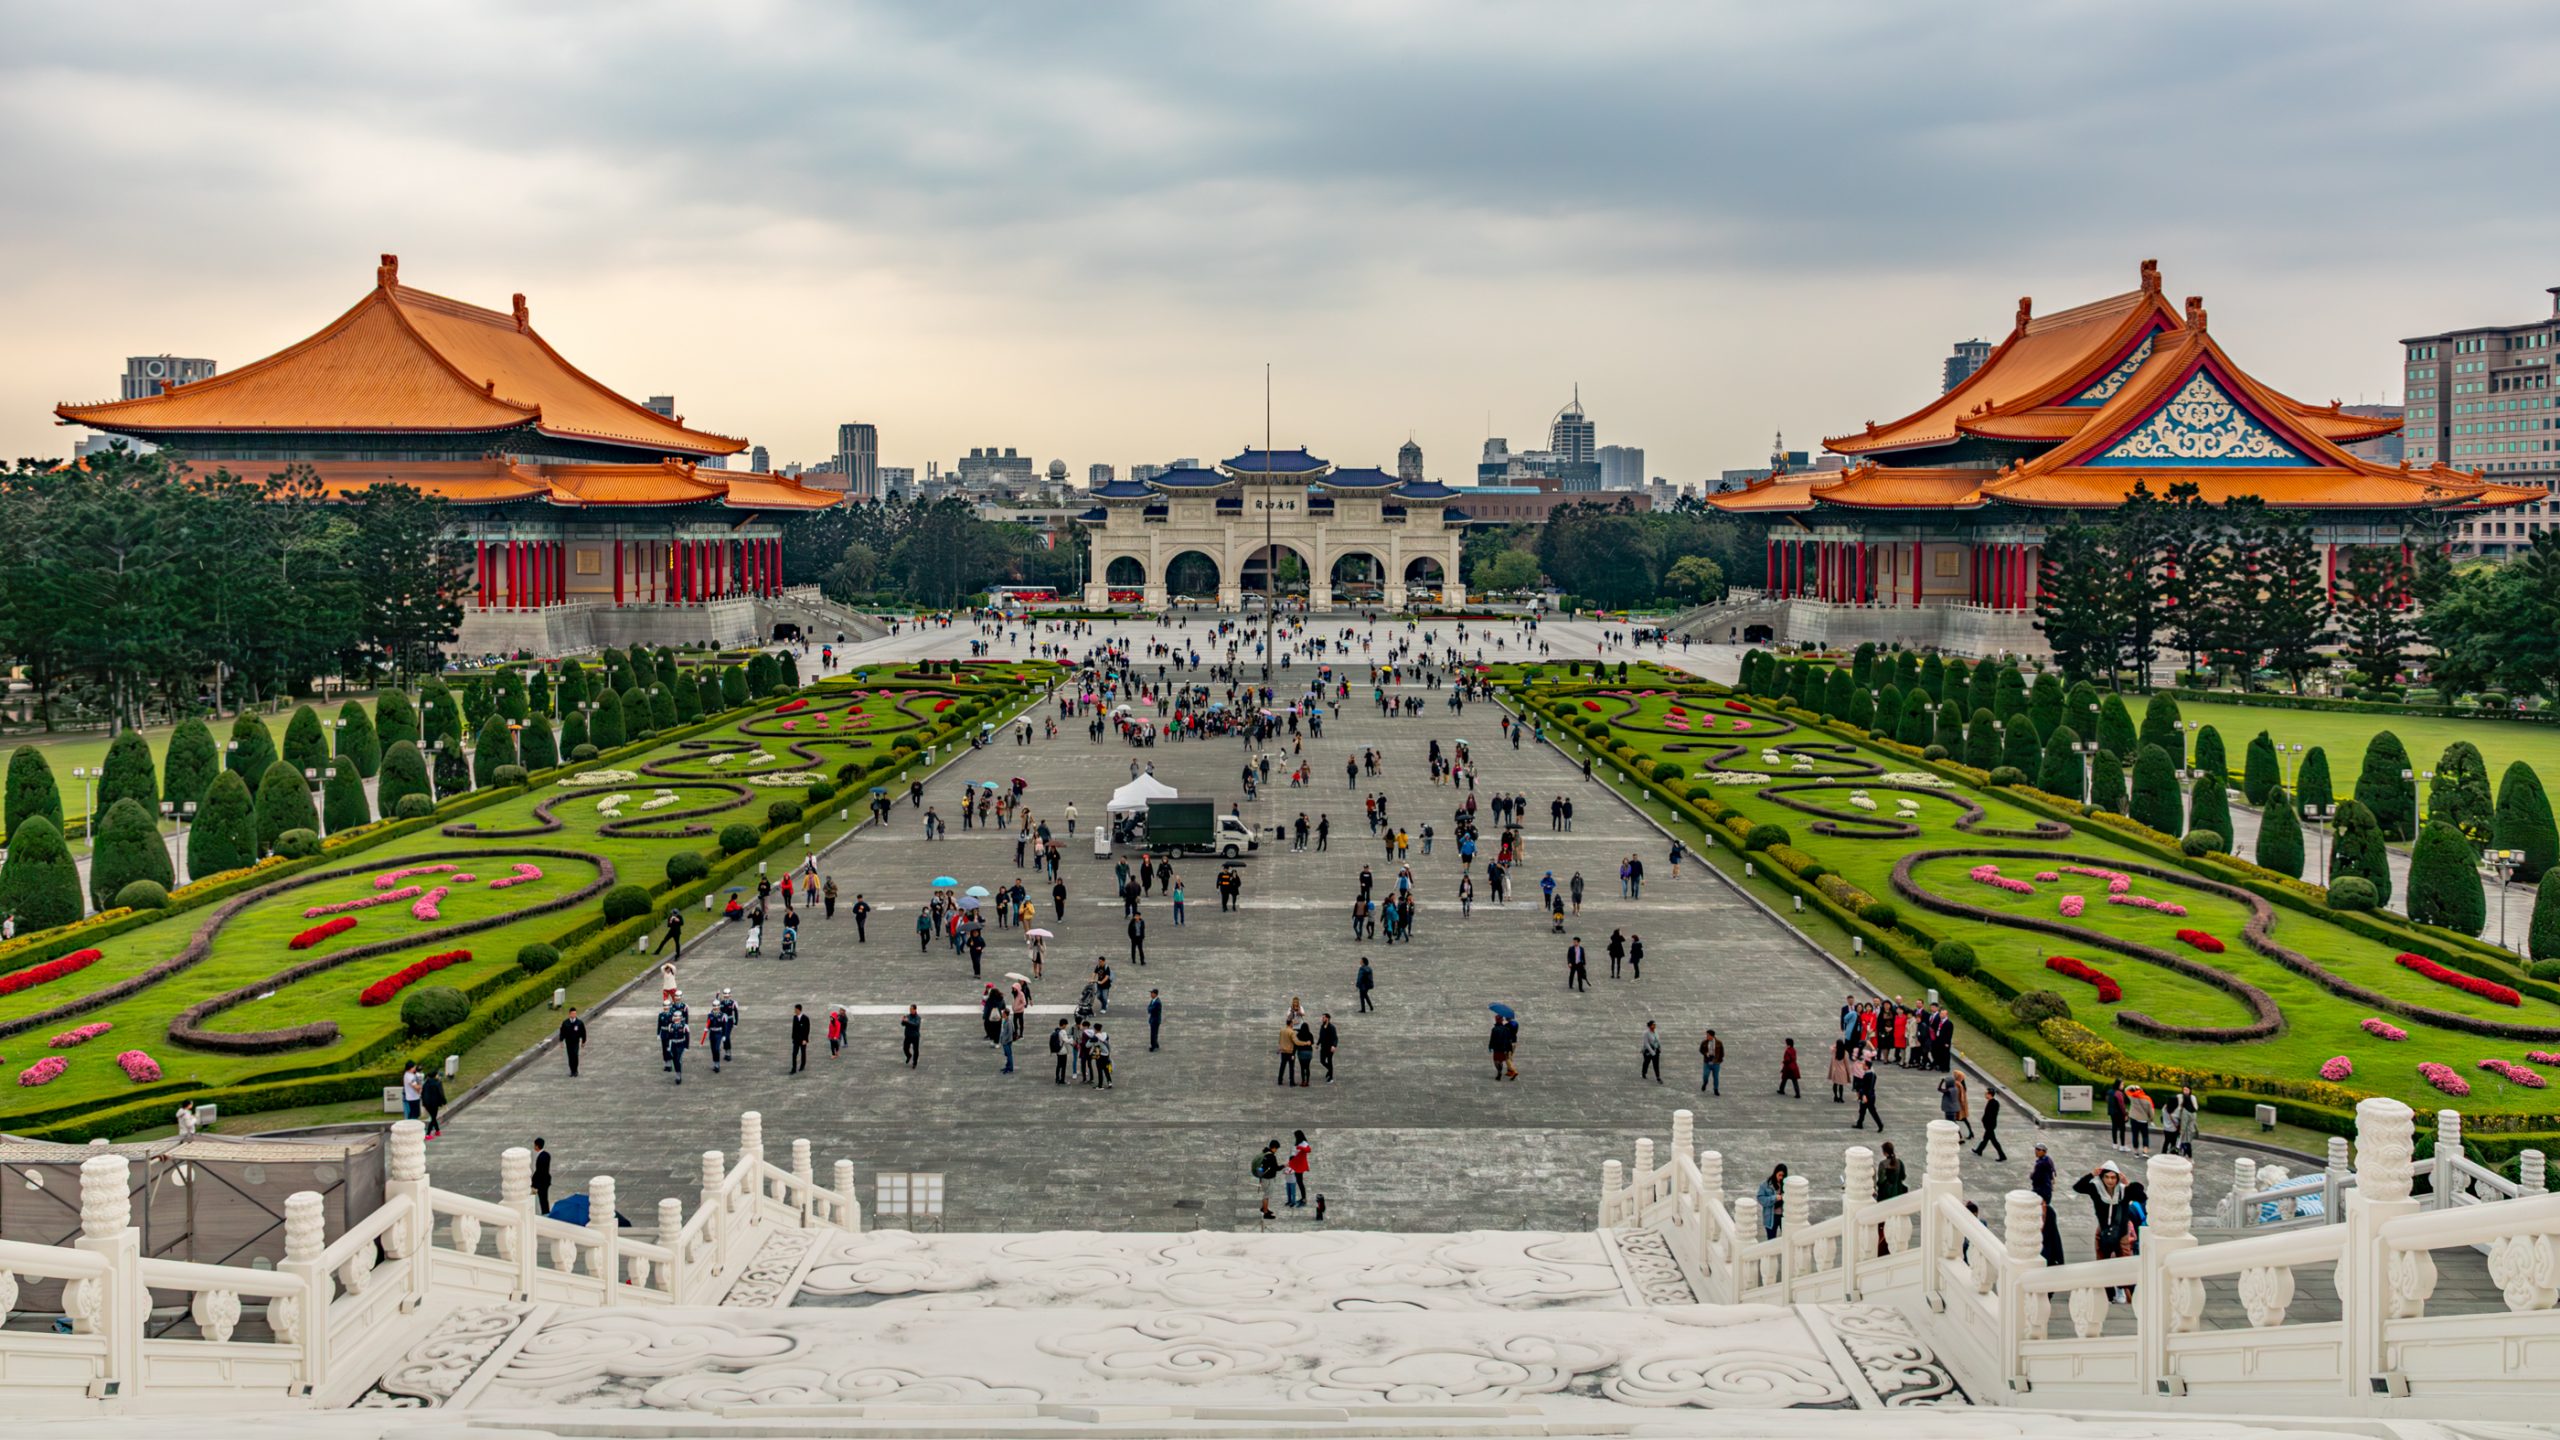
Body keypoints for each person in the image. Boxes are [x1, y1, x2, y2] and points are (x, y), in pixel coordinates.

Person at [2073, 1162, 2149, 1302]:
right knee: (2103, 1263)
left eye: (2113, 1177)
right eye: (2106, 1177)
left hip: (2122, 1233)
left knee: (2124, 1264)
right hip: (2103, 1232)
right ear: (2102, 1177)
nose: (2110, 1181)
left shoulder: (2124, 1191)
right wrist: (2091, 1174)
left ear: (2117, 1178)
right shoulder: (2096, 1189)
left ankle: (2123, 1290)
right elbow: (2077, 1187)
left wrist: (2128, 1183)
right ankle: (2109, 1295)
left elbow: (2142, 1197)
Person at [1872, 1140, 1908, 1254]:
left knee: (1883, 1222)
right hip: (1897, 1194)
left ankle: (1883, 1244)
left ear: (1884, 1152)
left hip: (1885, 1196)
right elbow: (1903, 1176)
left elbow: (1881, 1181)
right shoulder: (1900, 1162)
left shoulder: (1883, 1164)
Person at [1755, 1164, 1787, 1239]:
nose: (1781, 1178)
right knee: (1771, 1240)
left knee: (1787, 1238)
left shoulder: (1786, 1184)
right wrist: (1774, 1198)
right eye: (1779, 1175)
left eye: (1783, 1176)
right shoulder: (1765, 1185)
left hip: (1785, 1216)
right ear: (1775, 1172)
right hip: (1771, 1216)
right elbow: (1761, 1199)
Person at [1975, 1088, 2007, 1160]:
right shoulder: (1991, 1102)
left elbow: (1990, 1115)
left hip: (1990, 1125)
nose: (1985, 1095)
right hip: (1989, 1124)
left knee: (1994, 1141)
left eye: (1986, 1093)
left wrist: (1985, 1121)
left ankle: (2002, 1155)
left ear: (1989, 1094)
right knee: (1985, 1139)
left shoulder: (1994, 1103)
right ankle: (1979, 1150)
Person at [1253, 1140, 1282, 1220]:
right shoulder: (1271, 1156)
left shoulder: (1264, 1153)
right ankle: (1265, 1213)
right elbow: (1276, 1168)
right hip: (1268, 1179)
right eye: (1276, 1148)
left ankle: (1264, 1208)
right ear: (1274, 1148)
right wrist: (1284, 1166)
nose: (1276, 1150)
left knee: (1267, 1194)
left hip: (1263, 1178)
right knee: (1266, 1195)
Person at [1852, 1061, 1883, 1131]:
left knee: (1872, 1111)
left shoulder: (1867, 1075)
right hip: (1871, 1095)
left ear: (1867, 1066)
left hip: (1867, 1096)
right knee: (1862, 1110)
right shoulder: (1873, 1074)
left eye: (1863, 1065)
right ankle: (1859, 1123)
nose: (1862, 1066)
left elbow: (1865, 1087)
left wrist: (1863, 1095)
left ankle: (1880, 1124)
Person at [558, 1006, 588, 1076]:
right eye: (572, 1013)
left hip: (576, 1042)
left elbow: (583, 1032)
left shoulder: (579, 1023)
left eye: (575, 1013)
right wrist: (561, 1041)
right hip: (568, 1042)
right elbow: (562, 1032)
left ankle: (575, 1070)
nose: (574, 1015)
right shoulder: (565, 1023)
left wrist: (583, 1041)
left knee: (575, 1055)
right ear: (569, 1014)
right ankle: (572, 1070)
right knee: (570, 1056)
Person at [1287, 1130, 1313, 1208]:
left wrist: (1300, 1147)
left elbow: (1309, 1150)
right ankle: (1303, 1198)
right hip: (1296, 1164)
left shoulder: (1304, 1143)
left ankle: (1304, 1199)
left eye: (1296, 1136)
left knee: (1300, 1182)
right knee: (1299, 1182)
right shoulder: (1298, 1143)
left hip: (1300, 1165)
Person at [420, 1068, 447, 1139]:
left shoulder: (426, 1083)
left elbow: (422, 1094)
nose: (438, 1075)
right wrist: (444, 1102)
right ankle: (428, 1134)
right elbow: (441, 1094)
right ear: (435, 1076)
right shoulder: (438, 1082)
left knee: (433, 1117)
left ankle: (437, 1131)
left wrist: (423, 1103)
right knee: (433, 1118)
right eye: (437, 1074)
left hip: (427, 1103)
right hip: (434, 1103)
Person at [531, 1137, 553, 1216]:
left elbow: (539, 1171)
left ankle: (545, 1213)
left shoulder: (540, 1157)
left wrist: (534, 1183)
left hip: (541, 1182)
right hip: (546, 1180)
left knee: (542, 1199)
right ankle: (546, 1212)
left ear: (537, 1146)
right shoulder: (547, 1155)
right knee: (544, 1199)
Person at [1698, 1028, 1724, 1094]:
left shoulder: (1719, 1043)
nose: (1707, 1036)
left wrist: (1719, 1060)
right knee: (1705, 1075)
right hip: (1707, 1061)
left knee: (1716, 1077)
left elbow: (1722, 1052)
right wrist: (1706, 1053)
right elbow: (1701, 1050)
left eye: (1708, 1035)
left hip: (1716, 1062)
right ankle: (1705, 1083)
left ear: (1712, 1036)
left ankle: (1716, 1089)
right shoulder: (1704, 1042)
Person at [1276, 1019, 1300, 1086]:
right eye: (1292, 1023)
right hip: (1290, 1052)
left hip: (1283, 1051)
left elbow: (1280, 1041)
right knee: (1291, 1067)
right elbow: (1295, 1042)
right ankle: (1291, 1082)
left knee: (1282, 1066)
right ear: (1291, 1024)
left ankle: (1279, 1080)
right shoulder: (1292, 1032)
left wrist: (1279, 1049)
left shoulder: (1282, 1030)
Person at [1317, 1012, 1338, 1082]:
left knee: (1329, 1061)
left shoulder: (1332, 1028)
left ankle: (1331, 1077)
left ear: (1327, 1018)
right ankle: (1329, 1070)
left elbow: (1335, 1038)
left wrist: (1334, 1046)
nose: (1322, 1019)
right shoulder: (1322, 1027)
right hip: (1323, 1047)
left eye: (1323, 1017)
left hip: (1329, 1048)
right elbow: (1321, 1036)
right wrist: (1317, 1044)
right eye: (1322, 1018)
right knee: (1322, 1061)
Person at [1051, 1017, 1071, 1084]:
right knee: (1063, 1066)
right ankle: (1062, 1079)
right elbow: (1066, 1041)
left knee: (1058, 1065)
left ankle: (1057, 1078)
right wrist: (1072, 1040)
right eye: (1066, 1025)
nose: (1066, 1026)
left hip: (1058, 1050)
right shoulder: (1063, 1031)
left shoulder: (1056, 1030)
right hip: (1063, 1050)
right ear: (1063, 1024)